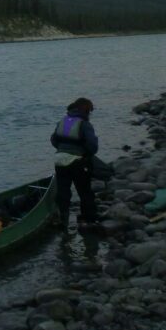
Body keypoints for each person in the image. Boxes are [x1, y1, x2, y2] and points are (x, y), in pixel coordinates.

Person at [51, 97, 99, 231]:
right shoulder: (84, 124)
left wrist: (63, 149)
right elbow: (93, 146)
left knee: (63, 191)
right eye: (90, 110)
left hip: (59, 160)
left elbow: (54, 140)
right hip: (77, 162)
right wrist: (84, 153)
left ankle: (63, 219)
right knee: (84, 191)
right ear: (86, 110)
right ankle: (88, 219)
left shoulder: (62, 121)